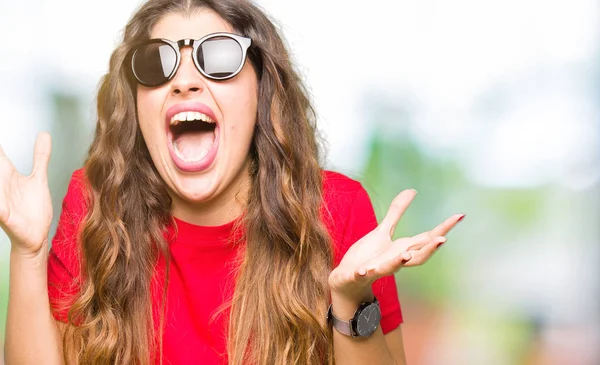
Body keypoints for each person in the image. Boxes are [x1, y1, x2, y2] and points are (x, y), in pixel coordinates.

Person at [1, 0, 464, 364]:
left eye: (218, 57)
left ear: (261, 89)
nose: (184, 81)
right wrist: (27, 251)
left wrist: (349, 300)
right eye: (156, 64)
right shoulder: (97, 205)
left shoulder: (336, 209)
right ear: (137, 101)